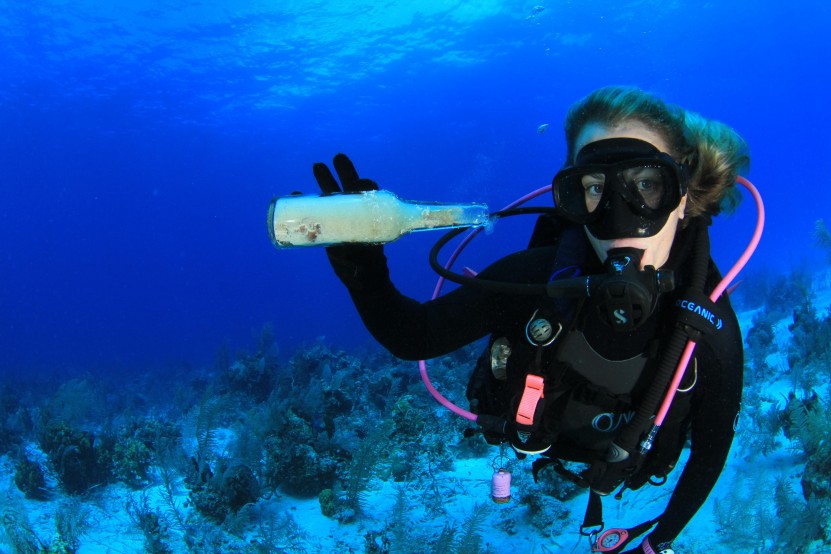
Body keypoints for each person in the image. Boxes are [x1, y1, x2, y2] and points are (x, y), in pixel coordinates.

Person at [310, 86, 749, 554]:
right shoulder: (541, 280)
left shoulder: (705, 326)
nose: (620, 220)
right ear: (573, 199)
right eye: (596, 188)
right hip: (541, 444)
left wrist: (654, 544)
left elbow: (710, 450)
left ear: (683, 195)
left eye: (647, 185)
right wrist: (366, 275)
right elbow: (414, 336)